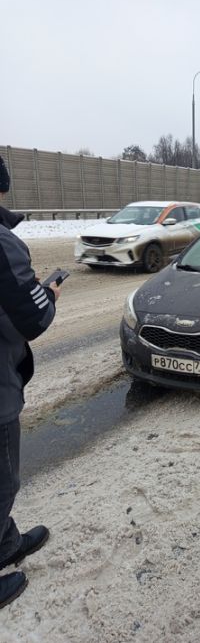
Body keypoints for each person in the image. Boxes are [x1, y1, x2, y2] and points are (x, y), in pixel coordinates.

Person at [0, 154, 61, 608]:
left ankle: (6, 546)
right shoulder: (3, 244)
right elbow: (34, 316)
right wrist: (48, 294)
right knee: (3, 481)